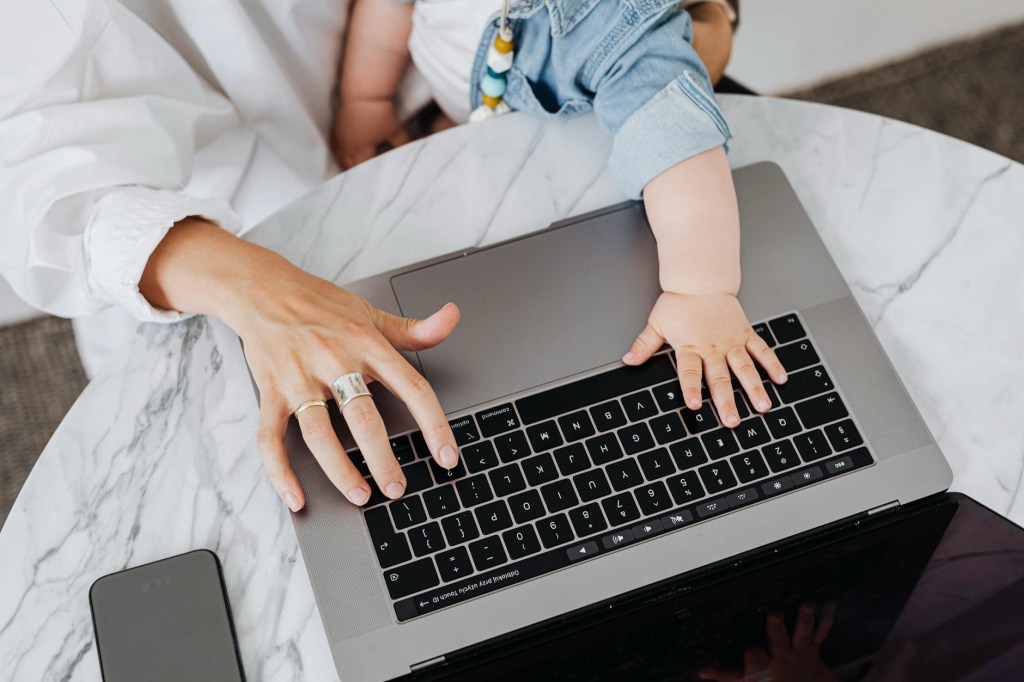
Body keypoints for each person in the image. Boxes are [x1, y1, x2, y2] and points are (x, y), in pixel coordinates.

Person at [0, 0, 775, 517]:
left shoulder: (612, 26)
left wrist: (700, 292)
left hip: (524, 150)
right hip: (204, 237)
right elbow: (43, 187)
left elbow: (676, 141)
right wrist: (362, 107)